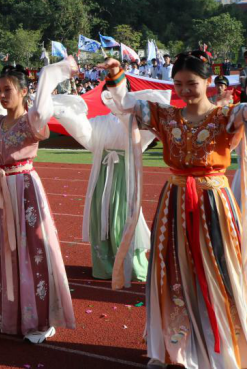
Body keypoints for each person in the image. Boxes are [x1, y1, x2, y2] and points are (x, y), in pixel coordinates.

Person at [101, 52, 247, 368]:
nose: (184, 90)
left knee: (217, 271)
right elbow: (123, 104)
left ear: (208, 81)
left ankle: (221, 344)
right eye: (178, 84)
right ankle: (175, 345)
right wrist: (115, 76)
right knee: (174, 271)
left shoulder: (228, 116)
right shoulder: (166, 117)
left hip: (214, 205)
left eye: (192, 83)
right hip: (176, 201)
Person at [0, 60, 77, 343]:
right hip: (0, 191)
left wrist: (51, 74)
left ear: (23, 92)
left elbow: (42, 110)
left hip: (24, 190)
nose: (1, 95)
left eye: (7, 89)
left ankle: (40, 322)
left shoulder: (32, 121)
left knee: (30, 252)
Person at [52, 83, 170, 281]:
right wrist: (65, 111)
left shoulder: (137, 122)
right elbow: (84, 133)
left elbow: (151, 125)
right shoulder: (100, 121)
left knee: (124, 216)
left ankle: (131, 266)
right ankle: (104, 266)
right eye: (109, 93)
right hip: (103, 173)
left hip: (126, 174)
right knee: (102, 215)